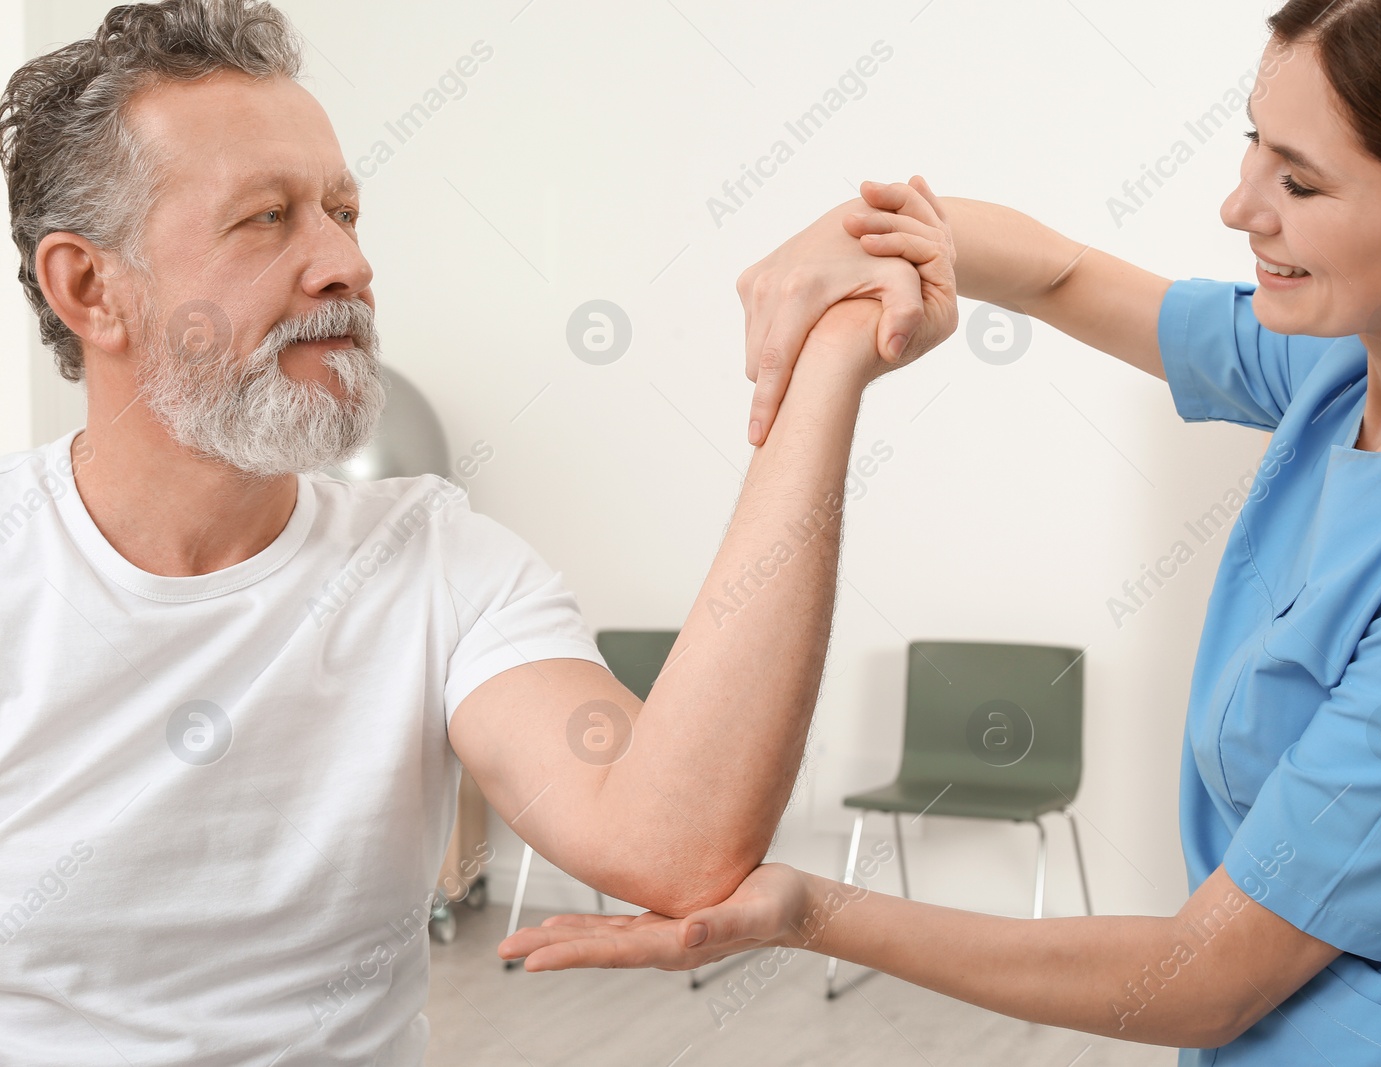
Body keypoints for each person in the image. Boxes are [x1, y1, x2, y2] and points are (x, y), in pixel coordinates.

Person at [497, 0, 1381, 1062]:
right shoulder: (1359, 357)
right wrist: (855, 236)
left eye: (1300, 182)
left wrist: (802, 907)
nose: (1238, 205)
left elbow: (1204, 975)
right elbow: (1063, 273)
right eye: (1254, 145)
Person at [0, 1, 953, 1063]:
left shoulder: (440, 564)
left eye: (344, 213)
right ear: (90, 287)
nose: (345, 266)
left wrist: (827, 367)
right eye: (267, 218)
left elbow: (671, 843)